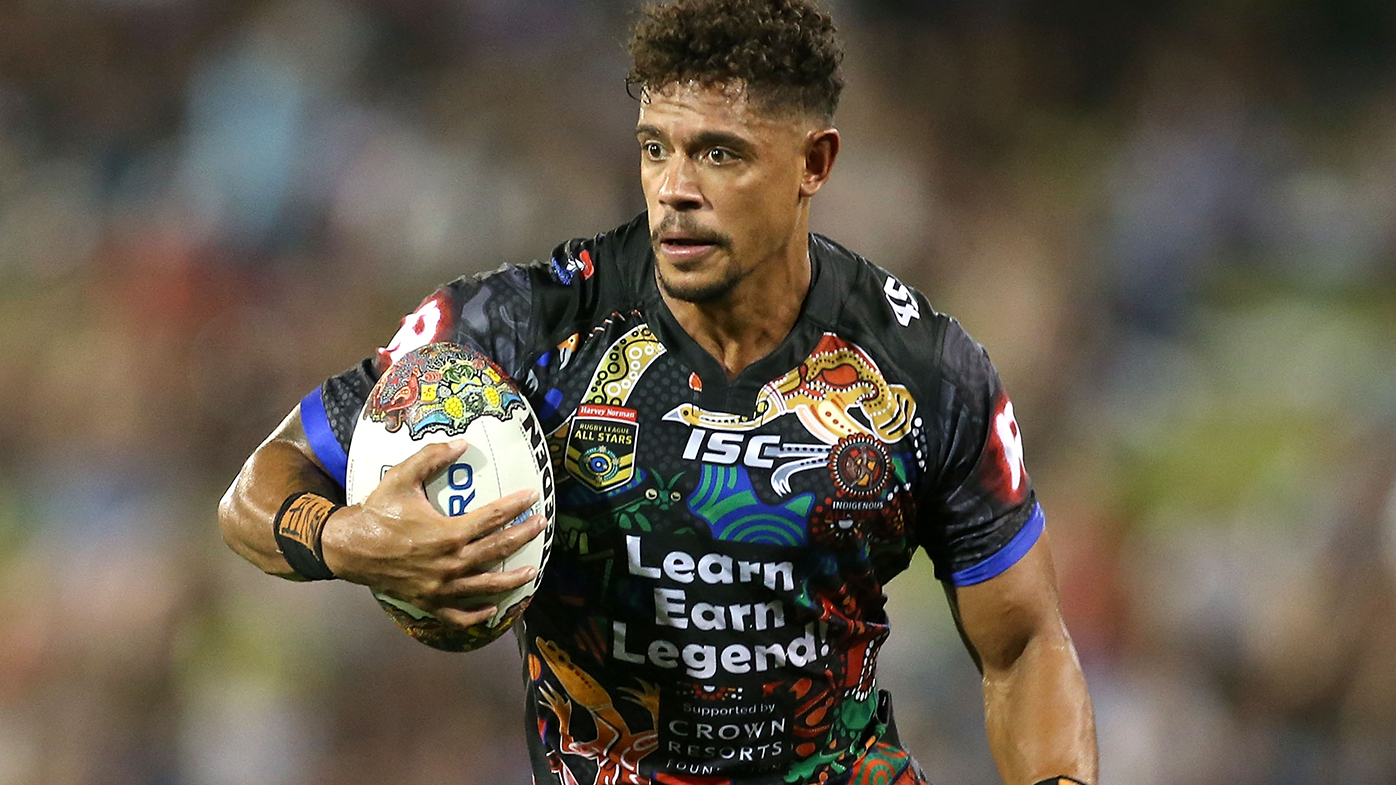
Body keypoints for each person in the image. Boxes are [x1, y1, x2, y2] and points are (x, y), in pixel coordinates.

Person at [218, 1, 1098, 782]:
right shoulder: (524, 327)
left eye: (719, 153)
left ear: (814, 162)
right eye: (655, 148)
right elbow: (260, 485)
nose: (675, 190)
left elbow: (1024, 643)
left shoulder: (921, 369)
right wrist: (343, 538)